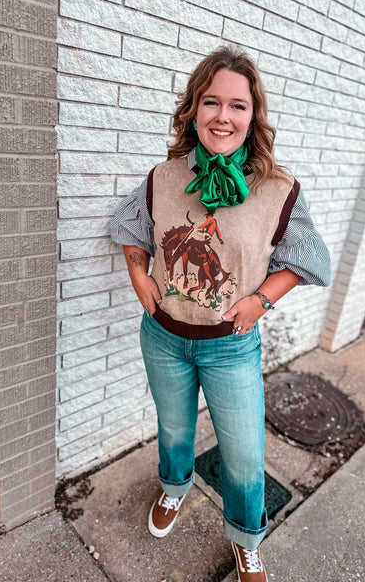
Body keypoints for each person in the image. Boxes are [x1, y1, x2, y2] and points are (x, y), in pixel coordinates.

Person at [110, 46, 332, 582]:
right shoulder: (164, 177)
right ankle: (174, 488)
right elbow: (130, 228)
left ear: (253, 116)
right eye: (211, 102)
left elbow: (309, 259)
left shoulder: (277, 189)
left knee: (244, 453)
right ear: (193, 110)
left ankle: (246, 539)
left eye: (238, 105)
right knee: (174, 428)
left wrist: (261, 300)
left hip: (230, 346)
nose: (223, 116)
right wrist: (140, 276)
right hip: (163, 338)